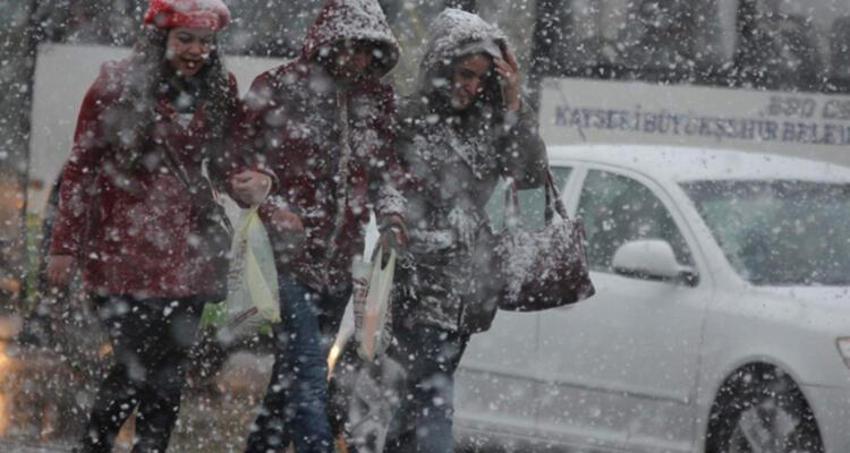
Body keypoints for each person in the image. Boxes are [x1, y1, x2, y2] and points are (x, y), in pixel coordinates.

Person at [46, 1, 269, 451]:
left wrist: (250, 180)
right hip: (120, 252)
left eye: (206, 42)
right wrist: (63, 245)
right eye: (185, 39)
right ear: (159, 39)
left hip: (189, 256)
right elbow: (81, 167)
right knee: (134, 367)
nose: (196, 51)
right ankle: (93, 444)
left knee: (169, 378)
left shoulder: (220, 88)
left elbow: (226, 158)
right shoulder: (115, 85)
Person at [236, 0, 406, 451]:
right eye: (355, 47)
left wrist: (391, 218)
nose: (362, 60)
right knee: (310, 377)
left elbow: (386, 171)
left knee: (288, 381)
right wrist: (272, 207)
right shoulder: (276, 88)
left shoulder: (377, 100)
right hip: (282, 260)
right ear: (329, 42)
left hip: (340, 266)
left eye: (371, 51)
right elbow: (237, 166)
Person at [385, 8, 550, 453]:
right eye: (460, 73)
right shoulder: (410, 118)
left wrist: (514, 102)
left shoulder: (492, 121)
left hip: (471, 290)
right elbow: (392, 185)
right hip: (420, 283)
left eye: (479, 77)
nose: (469, 86)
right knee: (434, 391)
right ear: (439, 66)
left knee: (419, 392)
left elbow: (531, 182)